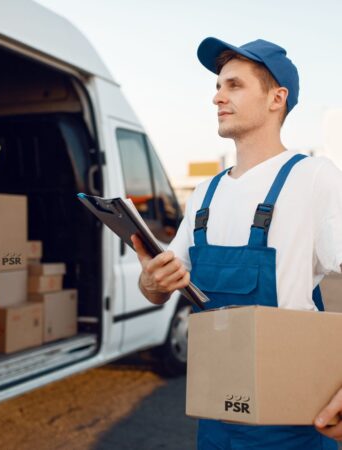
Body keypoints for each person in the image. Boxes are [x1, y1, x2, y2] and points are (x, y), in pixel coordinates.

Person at [131, 37, 342, 449]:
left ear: (275, 98)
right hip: (215, 416)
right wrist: (152, 282)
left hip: (296, 418)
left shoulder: (314, 177)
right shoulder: (205, 194)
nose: (217, 97)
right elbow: (156, 291)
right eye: (217, 86)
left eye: (234, 85)